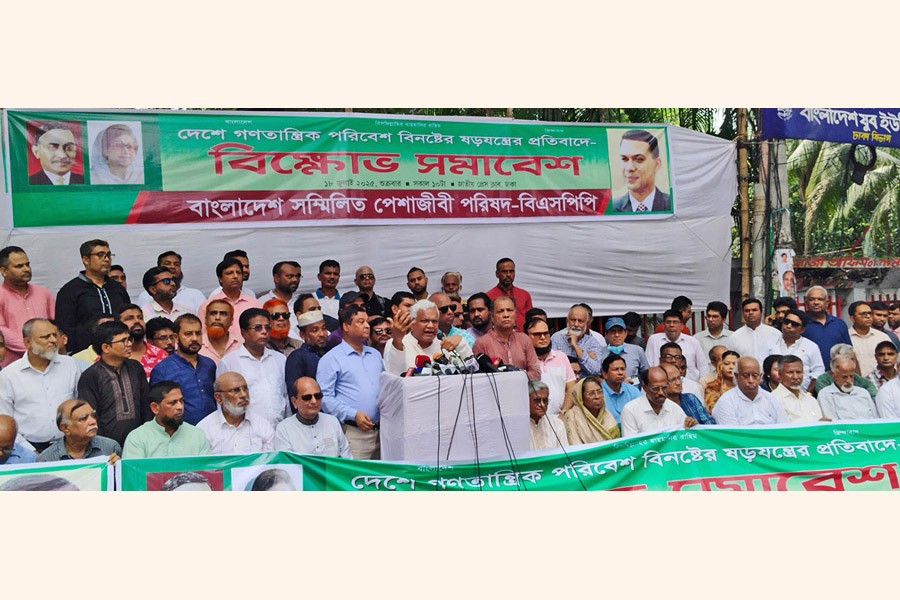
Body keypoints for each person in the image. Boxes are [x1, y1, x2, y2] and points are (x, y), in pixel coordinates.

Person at [0, 319, 80, 452]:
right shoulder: (9, 375)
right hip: (26, 450)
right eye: (46, 337)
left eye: (54, 335)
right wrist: (30, 452)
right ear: (27, 342)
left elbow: (80, 406)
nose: (53, 340)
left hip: (69, 447)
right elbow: (5, 418)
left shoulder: (71, 365)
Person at [316, 305, 384, 459]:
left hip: (382, 431)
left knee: (381, 479)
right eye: (361, 322)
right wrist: (353, 414)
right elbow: (324, 398)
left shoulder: (375, 355)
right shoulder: (331, 359)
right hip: (354, 432)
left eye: (367, 321)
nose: (367, 325)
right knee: (355, 478)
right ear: (346, 326)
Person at [77, 321, 151, 447]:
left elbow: (146, 406)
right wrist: (103, 447)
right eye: (123, 341)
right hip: (106, 448)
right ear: (106, 347)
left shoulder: (135, 368)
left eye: (129, 339)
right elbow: (92, 417)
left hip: (140, 443)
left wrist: (146, 438)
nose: (129, 344)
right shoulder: (90, 376)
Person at [217, 308, 290, 429]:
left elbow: (285, 396)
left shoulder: (280, 359)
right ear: (243, 332)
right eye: (257, 328)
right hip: (245, 431)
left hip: (279, 429)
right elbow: (222, 403)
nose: (264, 332)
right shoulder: (229, 362)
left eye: (267, 328)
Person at [55, 240, 131, 354]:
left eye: (109, 255)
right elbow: (65, 328)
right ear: (86, 260)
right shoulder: (70, 290)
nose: (106, 259)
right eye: (100, 255)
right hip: (85, 354)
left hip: (120, 351)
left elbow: (127, 317)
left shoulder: (118, 289)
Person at [150, 314, 217, 425]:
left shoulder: (209, 364)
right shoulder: (162, 370)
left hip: (213, 430)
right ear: (176, 337)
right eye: (188, 334)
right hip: (180, 433)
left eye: (198, 333)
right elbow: (158, 410)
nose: (195, 338)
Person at [0, 246, 55, 368]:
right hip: (13, 366)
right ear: (4, 271)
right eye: (19, 266)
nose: (26, 269)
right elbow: (2, 331)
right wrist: (33, 347)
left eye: (27, 264)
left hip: (48, 363)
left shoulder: (44, 293)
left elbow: (54, 325)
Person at [122, 381, 209, 458]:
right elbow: (134, 475)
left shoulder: (197, 435)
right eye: (172, 403)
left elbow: (206, 473)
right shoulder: (137, 438)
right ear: (155, 408)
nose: (180, 407)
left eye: (181, 401)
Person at [386, 299, 474, 375]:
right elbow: (395, 375)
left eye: (434, 321)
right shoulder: (396, 343)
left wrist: (461, 344)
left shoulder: (444, 344)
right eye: (425, 321)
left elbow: (472, 371)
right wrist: (397, 341)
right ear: (412, 324)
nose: (431, 326)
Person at [196, 371, 274, 454]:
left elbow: (270, 462)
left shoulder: (263, 425)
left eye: (245, 388)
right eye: (235, 390)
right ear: (218, 397)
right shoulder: (204, 429)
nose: (243, 395)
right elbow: (201, 465)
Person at [274, 376, 351, 458]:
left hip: (331, 471)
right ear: (294, 402)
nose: (314, 401)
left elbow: (346, 459)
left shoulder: (332, 422)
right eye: (307, 397)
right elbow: (287, 464)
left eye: (317, 396)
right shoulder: (284, 429)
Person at [471, 296, 540, 379]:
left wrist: (516, 378)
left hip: (524, 390)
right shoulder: (481, 343)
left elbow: (536, 373)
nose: (506, 315)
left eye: (509, 310)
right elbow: (478, 378)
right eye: (500, 311)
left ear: (516, 315)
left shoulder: (524, 339)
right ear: (492, 317)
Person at [198, 258, 263, 344]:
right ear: (220, 279)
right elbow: (201, 335)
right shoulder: (208, 305)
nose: (235, 276)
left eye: (238, 273)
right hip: (218, 354)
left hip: (249, 354)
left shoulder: (255, 304)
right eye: (229, 273)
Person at [710, 357, 789, 426]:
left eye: (755, 375)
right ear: (737, 376)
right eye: (745, 375)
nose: (751, 380)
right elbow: (731, 435)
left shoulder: (772, 399)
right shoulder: (726, 401)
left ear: (760, 376)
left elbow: (783, 429)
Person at [620, 367, 696, 437]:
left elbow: (686, 436)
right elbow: (631, 445)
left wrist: (692, 426)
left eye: (664, 388)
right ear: (645, 387)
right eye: (655, 388)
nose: (661, 393)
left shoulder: (674, 408)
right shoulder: (630, 410)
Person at [37, 399, 121, 462]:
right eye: (83, 418)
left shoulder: (110, 448)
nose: (93, 421)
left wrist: (117, 468)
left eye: (93, 415)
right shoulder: (46, 459)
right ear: (65, 428)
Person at [761, 308, 823, 392]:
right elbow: (762, 368)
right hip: (772, 394)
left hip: (801, 395)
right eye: (786, 322)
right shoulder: (769, 343)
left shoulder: (811, 347)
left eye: (794, 324)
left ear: (802, 329)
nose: (789, 326)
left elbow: (818, 373)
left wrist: (808, 393)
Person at [525, 316, 576, 416]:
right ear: (527, 336)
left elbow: (571, 388)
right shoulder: (524, 360)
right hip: (531, 420)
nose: (543, 337)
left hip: (559, 418)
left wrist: (564, 412)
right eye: (537, 334)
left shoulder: (561, 356)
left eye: (546, 333)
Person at [611, 129, 670, 212]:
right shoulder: (612, 208)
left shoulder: (671, 205)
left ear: (656, 164)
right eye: (624, 159)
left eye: (639, 159)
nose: (629, 168)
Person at [136, 251, 207, 313]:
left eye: (176, 264)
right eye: (167, 263)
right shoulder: (145, 296)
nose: (172, 267)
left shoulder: (195, 295)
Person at [646, 310, 708, 380]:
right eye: (668, 322)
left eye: (675, 322)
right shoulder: (654, 340)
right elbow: (649, 365)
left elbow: (703, 366)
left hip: (690, 384)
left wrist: (702, 385)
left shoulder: (692, 341)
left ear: (682, 326)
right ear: (663, 325)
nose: (671, 325)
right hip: (662, 385)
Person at [801, 286, 852, 370]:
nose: (816, 302)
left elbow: (848, 351)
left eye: (820, 299)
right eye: (812, 299)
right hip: (810, 374)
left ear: (827, 302)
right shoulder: (801, 324)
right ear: (806, 302)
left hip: (836, 374)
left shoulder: (839, 324)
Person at [817, 356, 880, 421]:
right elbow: (833, 424)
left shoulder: (863, 392)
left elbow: (876, 419)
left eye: (851, 376)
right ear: (833, 375)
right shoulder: (826, 395)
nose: (849, 381)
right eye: (844, 377)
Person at [561, 376, 620, 445]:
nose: (597, 396)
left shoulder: (607, 414)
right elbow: (575, 446)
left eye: (599, 392)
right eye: (591, 394)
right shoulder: (572, 417)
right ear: (580, 397)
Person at [284, 310, 330, 396]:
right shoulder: (297, 357)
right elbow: (295, 395)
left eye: (323, 328)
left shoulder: (330, 353)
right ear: (302, 335)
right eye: (314, 330)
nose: (321, 334)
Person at [550, 304, 604, 376]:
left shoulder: (592, 342)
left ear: (586, 323)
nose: (576, 324)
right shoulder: (556, 338)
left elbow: (596, 370)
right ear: (567, 321)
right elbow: (552, 366)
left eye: (580, 321)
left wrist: (576, 346)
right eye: (573, 320)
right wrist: (585, 356)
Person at [117, 304, 168, 378]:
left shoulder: (161, 355)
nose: (137, 321)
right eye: (129, 318)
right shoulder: (111, 356)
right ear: (118, 324)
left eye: (140, 318)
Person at [772, 355, 826, 423]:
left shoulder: (811, 400)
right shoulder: (773, 400)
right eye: (790, 372)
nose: (795, 377)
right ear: (780, 375)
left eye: (799, 372)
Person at [729, 297, 783, 364]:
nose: (751, 313)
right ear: (743, 313)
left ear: (761, 312)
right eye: (747, 311)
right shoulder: (735, 336)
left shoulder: (775, 334)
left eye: (754, 310)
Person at [486, 258, 533, 331]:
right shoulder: (489, 296)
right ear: (497, 274)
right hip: (499, 339)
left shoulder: (524, 295)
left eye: (511, 271)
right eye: (504, 272)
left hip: (522, 339)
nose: (508, 274)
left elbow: (531, 320)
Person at [599, 317, 648, 386]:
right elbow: (597, 377)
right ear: (606, 334)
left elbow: (646, 374)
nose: (617, 335)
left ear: (625, 333)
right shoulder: (600, 352)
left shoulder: (637, 350)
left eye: (620, 331)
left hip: (634, 393)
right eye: (613, 331)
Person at [258, 261, 303, 333]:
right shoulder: (261, 302)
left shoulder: (301, 302)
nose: (295, 280)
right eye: (290, 276)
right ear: (276, 278)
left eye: (298, 276)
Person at [847, 301, 890, 377]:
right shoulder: (846, 338)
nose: (868, 316)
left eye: (870, 313)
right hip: (856, 383)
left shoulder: (882, 337)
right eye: (863, 314)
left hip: (879, 382)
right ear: (852, 318)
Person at [527, 380, 569, 451]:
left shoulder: (557, 424)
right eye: (537, 400)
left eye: (545, 400)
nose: (542, 405)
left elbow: (564, 453)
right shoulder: (519, 427)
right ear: (526, 400)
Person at [599, 354, 641, 423]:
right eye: (615, 369)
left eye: (623, 369)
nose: (620, 373)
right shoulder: (598, 394)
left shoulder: (633, 391)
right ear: (605, 374)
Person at [199, 299, 241, 364]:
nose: (217, 317)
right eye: (213, 313)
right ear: (205, 320)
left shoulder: (241, 345)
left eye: (223, 314)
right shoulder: (196, 346)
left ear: (231, 321)